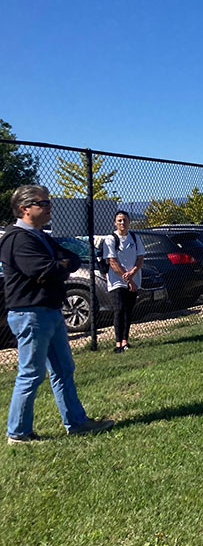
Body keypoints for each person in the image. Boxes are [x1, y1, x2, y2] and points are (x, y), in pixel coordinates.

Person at [1, 185, 115, 443]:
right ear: (24, 208)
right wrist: (59, 267)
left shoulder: (40, 235)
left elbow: (72, 258)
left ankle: (76, 422)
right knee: (31, 373)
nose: (48, 206)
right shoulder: (18, 238)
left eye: (48, 202)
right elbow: (42, 270)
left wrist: (60, 266)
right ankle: (18, 433)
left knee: (64, 369)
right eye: (42, 203)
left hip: (50, 311)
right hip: (31, 313)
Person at [104, 210, 145, 353]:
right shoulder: (110, 239)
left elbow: (140, 259)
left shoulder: (134, 237)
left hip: (134, 280)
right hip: (117, 281)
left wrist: (133, 273)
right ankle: (117, 344)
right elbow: (113, 262)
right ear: (115, 222)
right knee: (119, 309)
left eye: (125, 220)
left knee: (128, 310)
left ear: (129, 221)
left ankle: (125, 341)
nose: (122, 223)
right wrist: (127, 279)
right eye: (119, 220)